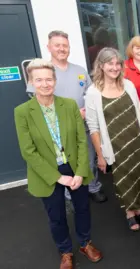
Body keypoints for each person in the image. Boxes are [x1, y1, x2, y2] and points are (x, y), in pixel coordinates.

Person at [15, 59, 103, 269]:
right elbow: (28, 151)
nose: (45, 84)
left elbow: (82, 140)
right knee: (56, 215)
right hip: (47, 171)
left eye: (48, 79)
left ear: (54, 81)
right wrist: (58, 177)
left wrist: (81, 172)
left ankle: (85, 243)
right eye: (39, 80)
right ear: (31, 82)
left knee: (83, 208)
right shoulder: (22, 112)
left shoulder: (69, 105)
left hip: (74, 166)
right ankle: (65, 251)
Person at [26, 30, 106, 203]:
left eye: (65, 46)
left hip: (83, 125)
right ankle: (68, 194)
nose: (62, 49)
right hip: (56, 129)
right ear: (49, 47)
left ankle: (92, 187)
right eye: (57, 45)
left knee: (88, 158)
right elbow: (37, 103)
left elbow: (90, 94)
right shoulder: (43, 71)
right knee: (64, 163)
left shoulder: (80, 70)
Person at [85, 48, 140, 231]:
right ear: (101, 65)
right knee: (124, 180)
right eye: (110, 63)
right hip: (115, 146)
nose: (115, 67)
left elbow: (138, 111)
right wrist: (100, 156)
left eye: (118, 63)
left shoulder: (128, 85)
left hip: (137, 140)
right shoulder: (93, 92)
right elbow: (93, 127)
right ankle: (130, 212)